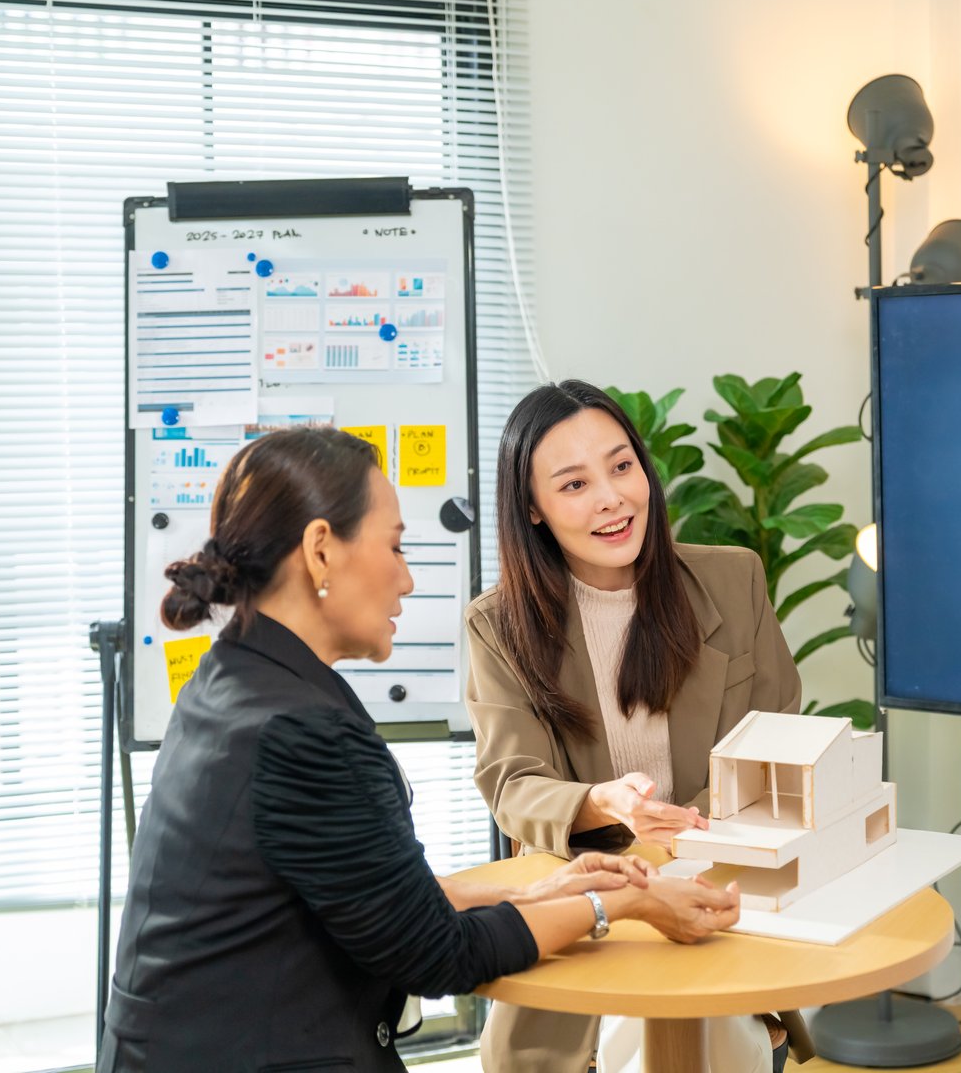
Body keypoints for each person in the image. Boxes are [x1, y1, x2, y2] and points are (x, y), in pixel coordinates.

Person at [99, 427, 743, 1073]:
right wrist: (619, 904)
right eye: (396, 547)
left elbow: (377, 894)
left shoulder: (235, 680)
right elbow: (439, 953)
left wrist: (541, 892)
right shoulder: (299, 730)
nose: (406, 580)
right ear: (321, 551)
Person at [465, 380, 813, 1072]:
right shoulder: (499, 624)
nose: (611, 498)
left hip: (719, 889)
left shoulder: (732, 581)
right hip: (587, 903)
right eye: (573, 484)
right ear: (532, 508)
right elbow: (514, 785)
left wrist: (697, 840)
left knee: (713, 1036)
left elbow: (779, 746)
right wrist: (603, 802)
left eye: (621, 467)